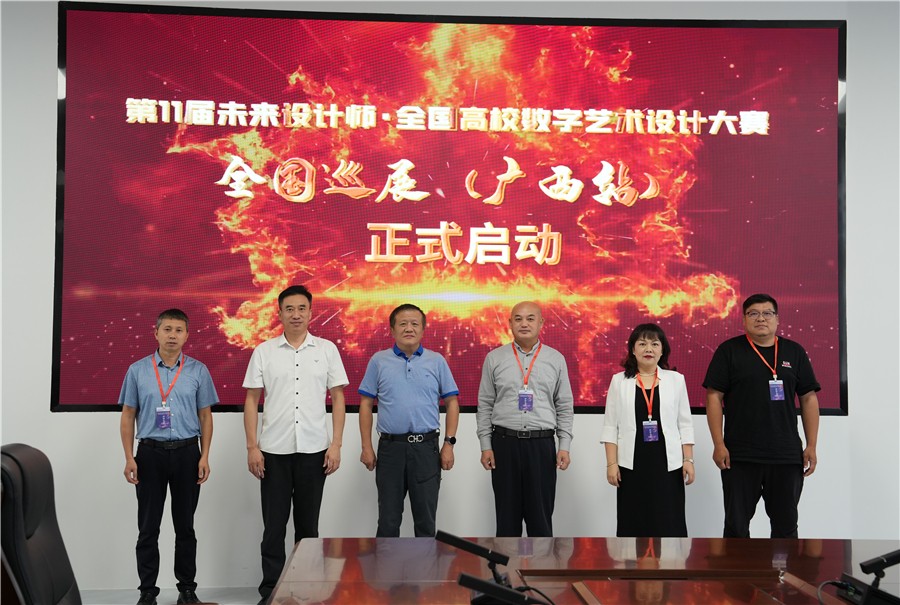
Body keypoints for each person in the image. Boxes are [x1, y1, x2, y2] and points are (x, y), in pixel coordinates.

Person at [243, 285, 348, 605]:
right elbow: (252, 400)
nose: (296, 314)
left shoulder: (326, 350)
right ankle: (271, 591)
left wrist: (336, 445)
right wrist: (252, 446)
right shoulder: (264, 351)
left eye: (302, 308)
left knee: (308, 528)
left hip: (314, 451)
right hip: (273, 452)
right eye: (289, 309)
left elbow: (338, 398)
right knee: (273, 527)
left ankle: (306, 590)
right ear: (279, 313)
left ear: (311, 312)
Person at [119, 309, 217, 605]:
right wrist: (129, 457)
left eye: (178, 330)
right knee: (148, 527)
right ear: (156, 333)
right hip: (149, 455)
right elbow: (128, 415)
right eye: (167, 329)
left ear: (187, 335)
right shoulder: (137, 370)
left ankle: (187, 590)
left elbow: (205, 416)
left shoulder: (198, 371)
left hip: (188, 453)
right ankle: (147, 591)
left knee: (185, 526)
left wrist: (205, 455)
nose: (172, 335)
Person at [703, 293, 821, 538]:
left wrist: (811, 445)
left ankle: (781, 566)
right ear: (744, 319)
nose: (761, 318)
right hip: (739, 455)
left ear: (777, 319)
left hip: (786, 455)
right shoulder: (729, 351)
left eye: (767, 313)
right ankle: (738, 567)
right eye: (753, 313)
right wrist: (718, 444)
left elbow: (808, 398)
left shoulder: (794, 352)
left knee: (785, 527)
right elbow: (714, 397)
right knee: (736, 527)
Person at [358, 303, 460, 537]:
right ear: (392, 330)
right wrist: (366, 447)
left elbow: (452, 403)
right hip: (390, 449)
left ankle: (425, 563)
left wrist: (449, 444)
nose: (409, 328)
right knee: (388, 521)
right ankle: (386, 562)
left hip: (426, 449)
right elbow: (366, 404)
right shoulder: (378, 361)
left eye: (415, 324)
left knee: (425, 522)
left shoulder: (436, 361)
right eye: (402, 324)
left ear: (423, 329)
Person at [476, 301, 574, 537]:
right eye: (518, 319)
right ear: (510, 323)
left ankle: (541, 563)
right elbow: (485, 404)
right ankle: (505, 563)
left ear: (541, 323)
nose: (524, 324)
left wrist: (564, 446)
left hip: (541, 446)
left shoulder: (555, 359)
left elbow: (564, 405)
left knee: (540, 521)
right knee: (506, 522)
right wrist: (486, 446)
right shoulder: (494, 358)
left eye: (530, 318)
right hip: (504, 445)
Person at [600, 323, 695, 537]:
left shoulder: (676, 380)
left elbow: (685, 423)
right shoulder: (619, 381)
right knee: (633, 519)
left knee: (668, 519)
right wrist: (611, 464)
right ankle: (631, 560)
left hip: (668, 462)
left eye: (654, 344)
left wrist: (688, 459)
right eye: (642, 344)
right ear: (633, 350)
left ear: (662, 350)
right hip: (631, 462)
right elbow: (610, 426)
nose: (648, 349)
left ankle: (672, 559)